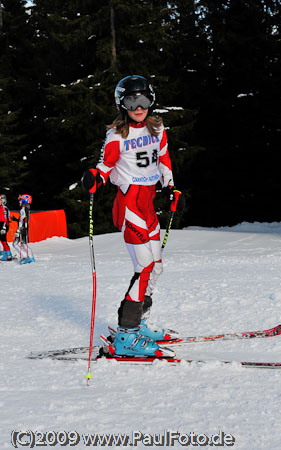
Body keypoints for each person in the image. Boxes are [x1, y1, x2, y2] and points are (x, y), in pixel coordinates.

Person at [82, 75, 184, 358]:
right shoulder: (117, 136)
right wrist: (94, 179)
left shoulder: (157, 127)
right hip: (129, 206)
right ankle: (126, 335)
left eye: (144, 100)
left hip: (149, 204)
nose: (139, 107)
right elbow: (104, 168)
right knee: (144, 268)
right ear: (121, 104)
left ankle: (139, 324)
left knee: (156, 268)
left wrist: (171, 187)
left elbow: (164, 160)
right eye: (131, 100)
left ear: (151, 100)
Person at [13, 194, 35, 264]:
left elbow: (23, 221)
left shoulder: (23, 210)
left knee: (16, 244)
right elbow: (22, 220)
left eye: (20, 200)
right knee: (23, 244)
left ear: (24, 201)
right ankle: (30, 257)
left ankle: (26, 257)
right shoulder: (26, 209)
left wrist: (18, 231)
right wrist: (16, 220)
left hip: (22, 230)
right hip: (24, 229)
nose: (19, 202)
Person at [0, 194, 13, 261]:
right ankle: (4, 253)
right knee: (1, 240)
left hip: (4, 225)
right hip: (0, 224)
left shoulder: (4, 208)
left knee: (3, 240)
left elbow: (6, 218)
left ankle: (8, 254)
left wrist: (4, 228)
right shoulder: (0, 207)